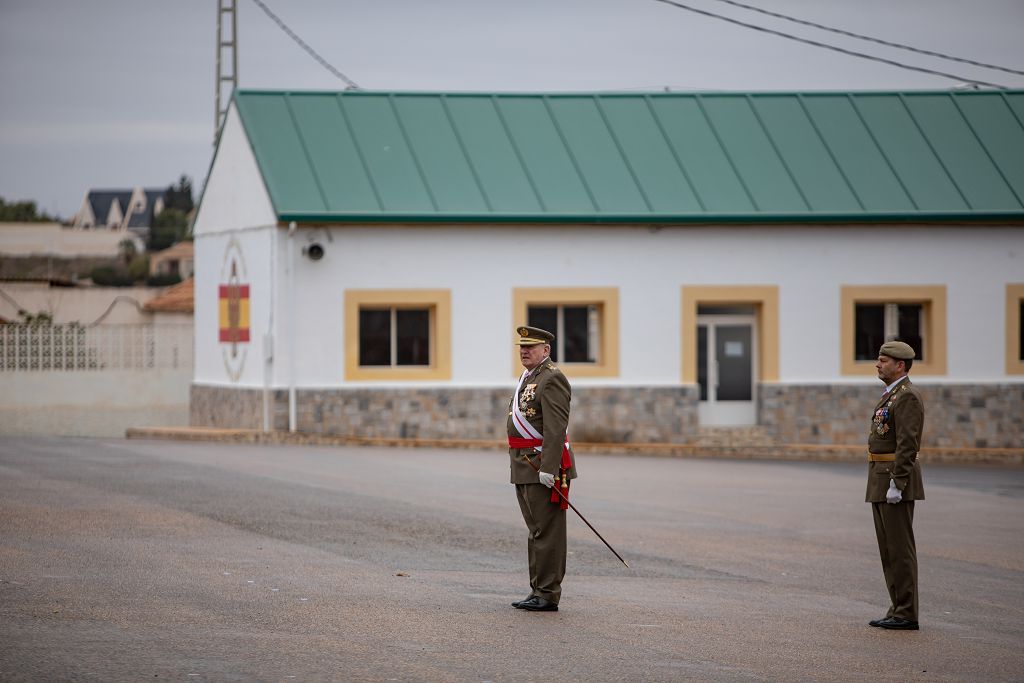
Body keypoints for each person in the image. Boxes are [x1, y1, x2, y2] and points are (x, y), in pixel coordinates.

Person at [506, 325, 577, 612]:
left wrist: (548, 467)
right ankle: (537, 589)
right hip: (525, 465)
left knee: (547, 532)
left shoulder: (552, 379)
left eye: (531, 347)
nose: (524, 351)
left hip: (541, 467)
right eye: (522, 347)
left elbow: (556, 428)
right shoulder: (530, 378)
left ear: (546, 350)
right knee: (537, 530)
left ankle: (547, 593)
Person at [866, 340, 925, 630]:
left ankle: (907, 612)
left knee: (900, 549)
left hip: (893, 479)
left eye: (884, 360)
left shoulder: (907, 397)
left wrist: (898, 483)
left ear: (900, 365)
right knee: (889, 550)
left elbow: (907, 444)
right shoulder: (892, 395)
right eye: (879, 359)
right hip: (880, 478)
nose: (878, 364)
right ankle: (898, 607)